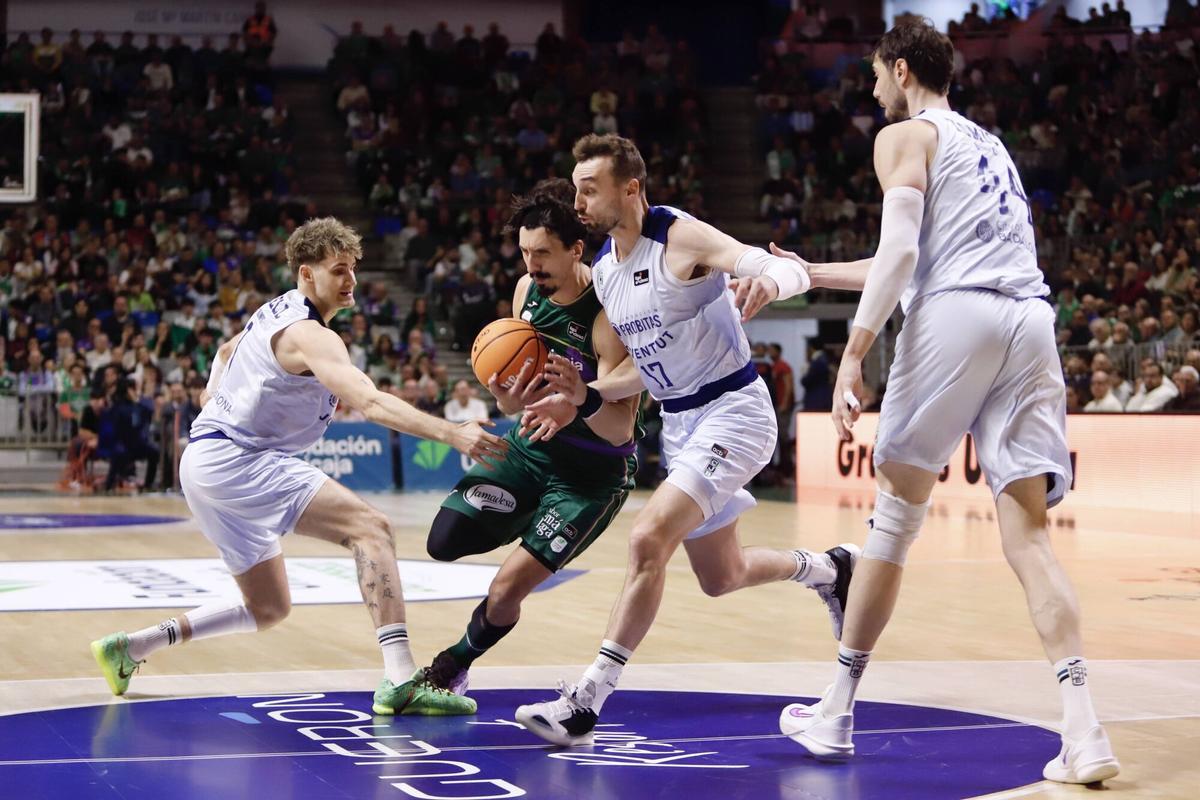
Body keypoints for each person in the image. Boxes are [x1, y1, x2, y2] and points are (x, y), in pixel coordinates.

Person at [755, 22, 1118, 784]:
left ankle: (837, 711)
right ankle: (1085, 731)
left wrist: (853, 354)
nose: (872, 91)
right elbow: (913, 258)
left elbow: (904, 255)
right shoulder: (991, 146)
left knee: (893, 521)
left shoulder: (902, 137)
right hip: (1029, 320)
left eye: (875, 76)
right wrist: (814, 272)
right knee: (1029, 537)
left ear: (900, 69)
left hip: (958, 316)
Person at [513, 135, 857, 746]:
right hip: (679, 423)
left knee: (647, 537)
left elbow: (772, 264)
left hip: (733, 410)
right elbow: (642, 371)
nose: (579, 203)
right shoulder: (609, 273)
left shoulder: (679, 237)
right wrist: (585, 397)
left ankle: (586, 701)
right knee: (722, 575)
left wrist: (770, 282)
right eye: (576, 190)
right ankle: (829, 569)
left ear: (631, 189)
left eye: (589, 190)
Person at [90, 218, 507, 716]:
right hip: (237, 460)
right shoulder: (310, 334)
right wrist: (453, 433)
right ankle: (401, 679)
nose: (351, 280)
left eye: (353, 268)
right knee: (371, 528)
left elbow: (225, 351)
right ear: (307, 273)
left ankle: (133, 646)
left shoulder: (276, 309)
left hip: (204, 462)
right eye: (339, 270)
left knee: (267, 606)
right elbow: (370, 403)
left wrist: (211, 392)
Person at [416, 180, 642, 697]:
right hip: (530, 450)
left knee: (504, 590)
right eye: (524, 252)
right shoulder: (526, 292)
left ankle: (451, 668)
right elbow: (513, 402)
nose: (531, 264)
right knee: (443, 541)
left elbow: (622, 429)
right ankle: (531, 517)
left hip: (589, 476)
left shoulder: (607, 316)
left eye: (542, 253)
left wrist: (579, 401)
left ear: (576, 249)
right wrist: (506, 398)